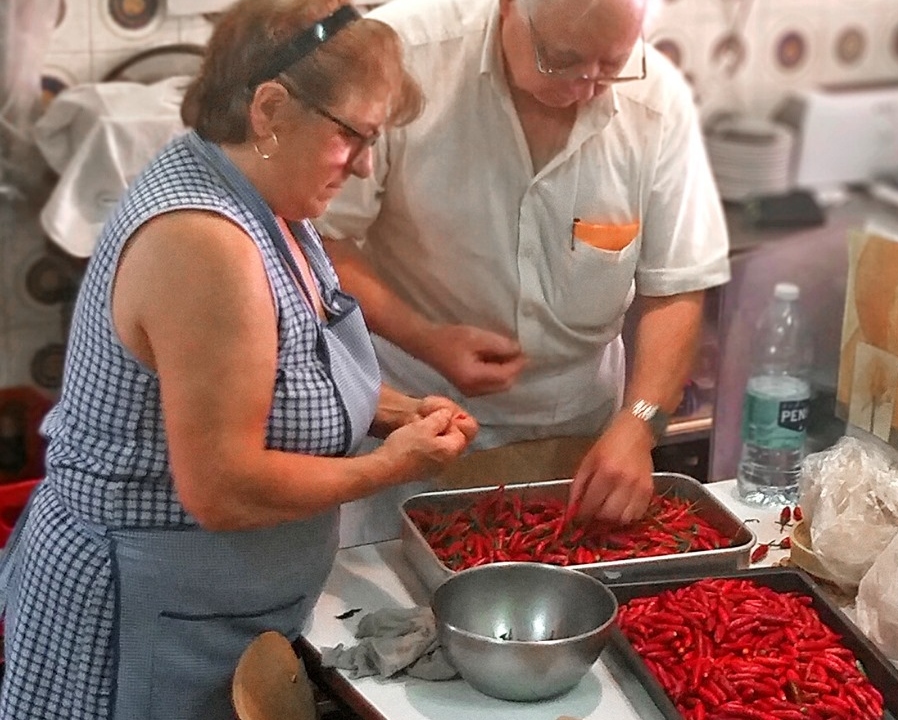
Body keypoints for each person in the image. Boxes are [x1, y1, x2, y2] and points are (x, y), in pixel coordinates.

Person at [0, 2, 476, 719]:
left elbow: (276, 374)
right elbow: (222, 488)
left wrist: (398, 412)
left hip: (210, 614)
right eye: (354, 135)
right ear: (270, 108)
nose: (366, 163)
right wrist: (394, 466)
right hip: (140, 622)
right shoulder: (204, 242)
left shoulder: (269, 198)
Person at [320, 0, 729, 535]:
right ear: (508, 7)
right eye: (561, 61)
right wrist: (428, 338)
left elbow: (676, 287)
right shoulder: (396, 55)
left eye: (611, 65)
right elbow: (322, 240)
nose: (586, 85)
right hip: (412, 422)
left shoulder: (658, 102)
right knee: (391, 606)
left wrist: (640, 424)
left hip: (577, 437)